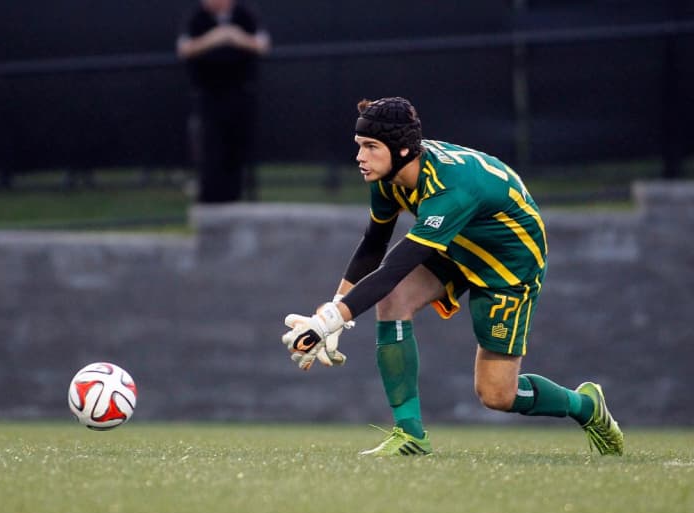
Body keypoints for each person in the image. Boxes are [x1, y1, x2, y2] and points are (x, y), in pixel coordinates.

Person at [281, 96, 625, 457]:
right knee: (393, 299)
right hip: (457, 244)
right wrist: (335, 311)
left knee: (496, 394)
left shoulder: (450, 187)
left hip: (507, 263)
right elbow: (374, 244)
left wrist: (328, 322)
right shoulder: (388, 177)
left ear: (401, 150)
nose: (360, 157)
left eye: (370, 147)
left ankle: (585, 405)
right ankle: (410, 434)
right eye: (359, 146)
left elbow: (397, 265)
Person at [177, 0, 270, 203]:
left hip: (240, 95)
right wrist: (217, 37)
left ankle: (232, 200)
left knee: (235, 149)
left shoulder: (245, 14)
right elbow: (184, 48)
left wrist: (235, 36)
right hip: (208, 96)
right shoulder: (198, 17)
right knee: (210, 149)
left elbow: (262, 44)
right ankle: (209, 201)